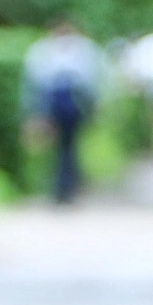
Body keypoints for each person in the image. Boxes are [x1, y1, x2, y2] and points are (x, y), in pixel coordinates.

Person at [23, 20, 102, 203]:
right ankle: (65, 187)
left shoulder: (45, 50)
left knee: (65, 147)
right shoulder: (79, 50)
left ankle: (62, 188)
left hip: (65, 106)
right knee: (66, 148)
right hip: (59, 106)